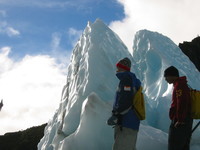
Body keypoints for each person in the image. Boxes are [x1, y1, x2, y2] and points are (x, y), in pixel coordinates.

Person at [107, 57, 141, 150]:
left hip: (126, 122)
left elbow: (126, 100)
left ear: (123, 67)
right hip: (129, 122)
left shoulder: (126, 79)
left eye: (118, 67)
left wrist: (116, 115)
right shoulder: (131, 79)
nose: (116, 69)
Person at [164, 66, 193, 150]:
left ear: (172, 75)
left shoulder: (179, 86)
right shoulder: (182, 84)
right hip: (185, 120)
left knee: (175, 146)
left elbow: (182, 101)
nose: (165, 79)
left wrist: (180, 120)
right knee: (184, 146)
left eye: (166, 76)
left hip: (180, 122)